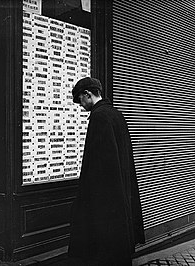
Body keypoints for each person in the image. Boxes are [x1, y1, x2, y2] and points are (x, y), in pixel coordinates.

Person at [68, 77, 145, 266]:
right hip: (119, 191)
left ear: (88, 94)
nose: (81, 105)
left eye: (80, 100)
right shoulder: (116, 114)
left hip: (105, 195)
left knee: (103, 247)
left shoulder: (99, 116)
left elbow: (99, 163)